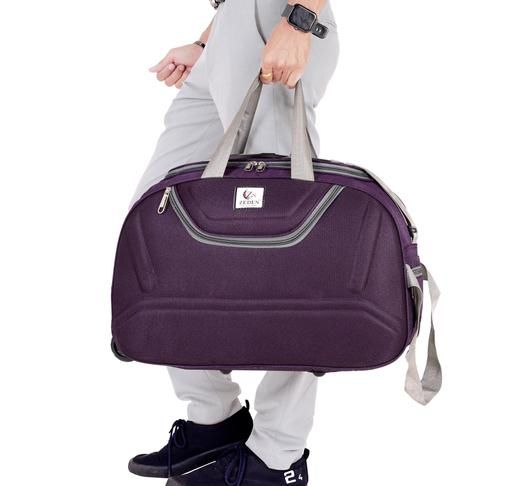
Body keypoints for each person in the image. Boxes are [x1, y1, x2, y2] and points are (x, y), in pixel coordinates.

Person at [127, 1, 339, 485]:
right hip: (235, 25)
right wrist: (209, 39)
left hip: (278, 16)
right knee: (156, 222)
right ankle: (214, 417)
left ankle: (278, 454)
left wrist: (299, 19)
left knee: (286, 239)